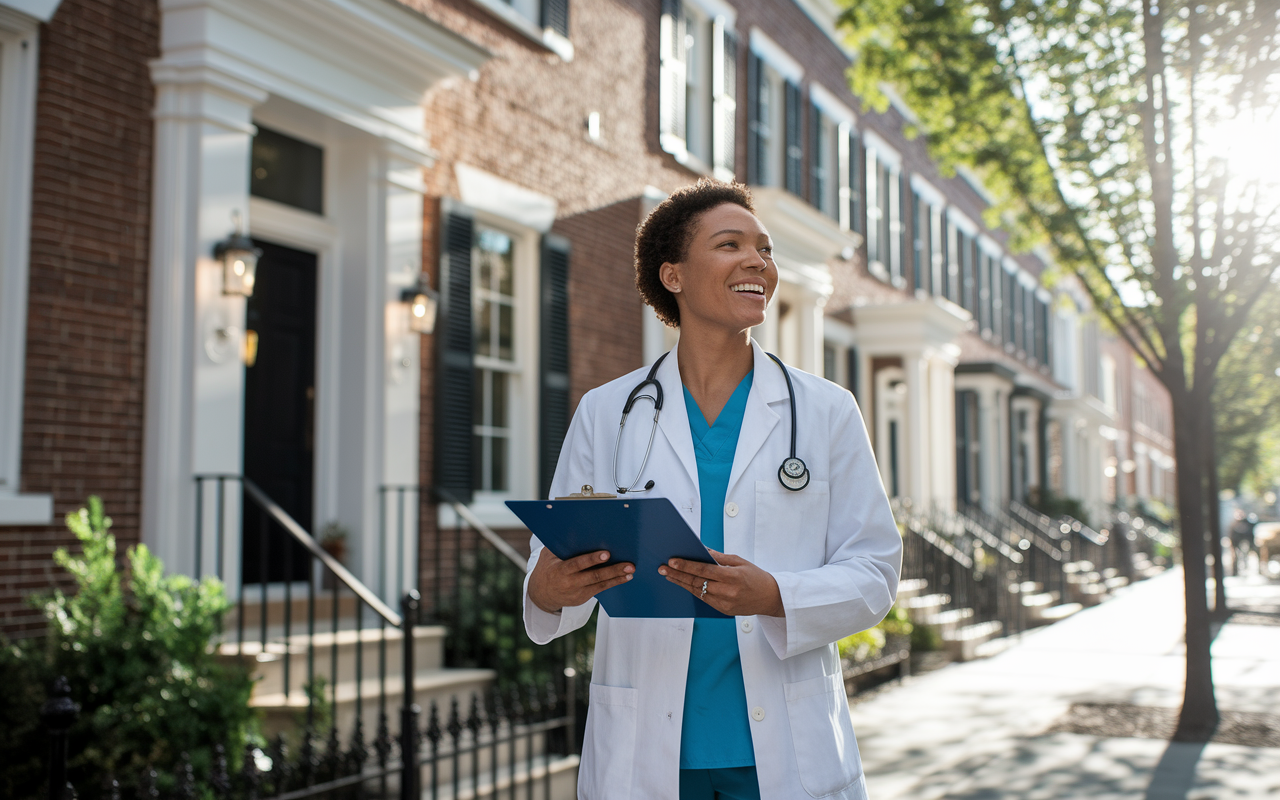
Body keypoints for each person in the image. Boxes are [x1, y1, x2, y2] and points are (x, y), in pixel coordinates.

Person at [522, 179, 902, 800]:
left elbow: (876, 572)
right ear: (672, 275)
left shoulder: (826, 410)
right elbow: (550, 574)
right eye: (730, 245)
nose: (758, 262)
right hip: (648, 752)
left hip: (783, 752)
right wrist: (549, 587)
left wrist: (776, 594)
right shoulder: (606, 411)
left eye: (765, 249)